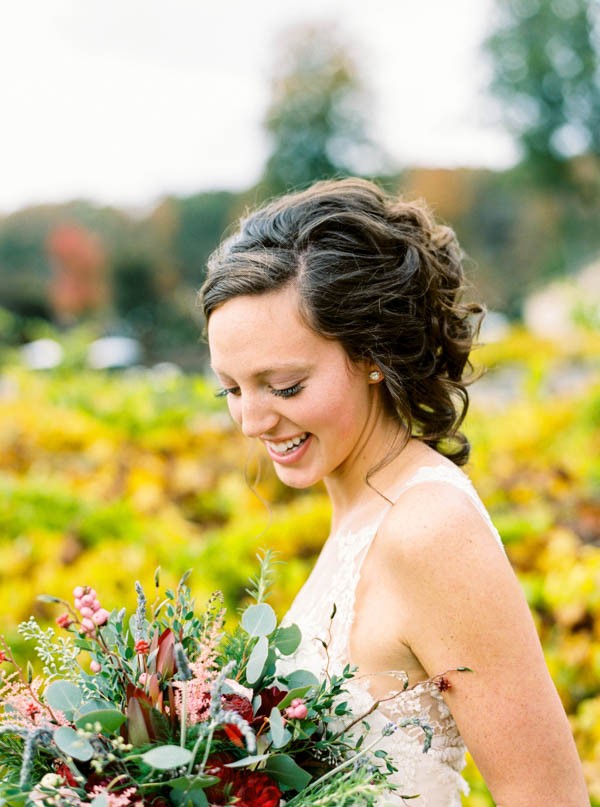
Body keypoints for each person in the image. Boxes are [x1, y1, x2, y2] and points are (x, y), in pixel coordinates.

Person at [200, 178, 589, 806]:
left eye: (286, 386)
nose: (251, 421)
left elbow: (547, 798)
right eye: (232, 389)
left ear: (372, 354)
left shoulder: (428, 528)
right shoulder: (360, 507)